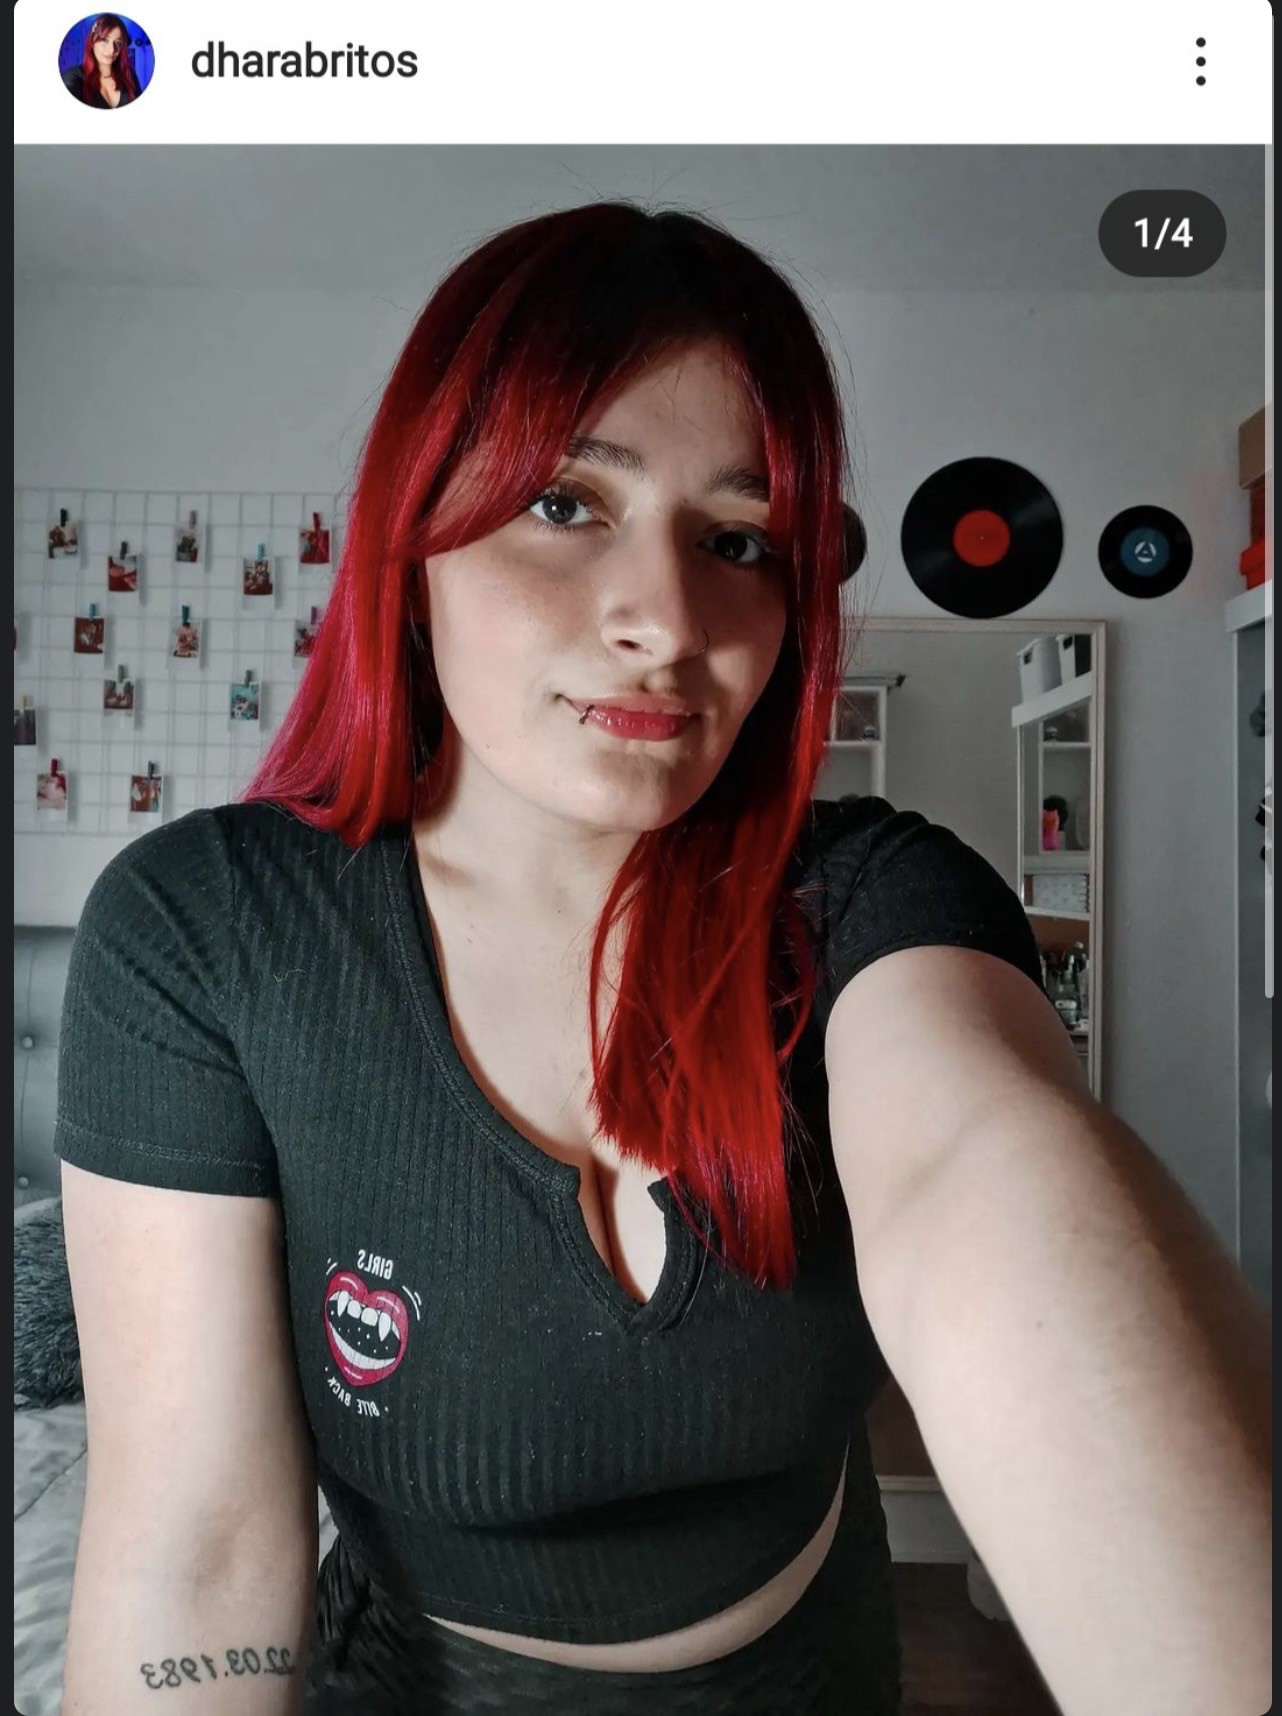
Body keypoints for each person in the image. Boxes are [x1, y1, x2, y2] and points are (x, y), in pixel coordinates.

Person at [55, 203, 1270, 1716]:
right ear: (413, 539)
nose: (667, 621)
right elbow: (194, 1551)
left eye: (737, 542)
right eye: (567, 504)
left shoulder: (874, 898)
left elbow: (990, 1175)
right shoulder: (206, 933)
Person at [61, 13, 140, 110]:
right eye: (104, 40)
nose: (112, 50)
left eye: (118, 43)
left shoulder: (129, 74)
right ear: (92, 41)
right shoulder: (73, 77)